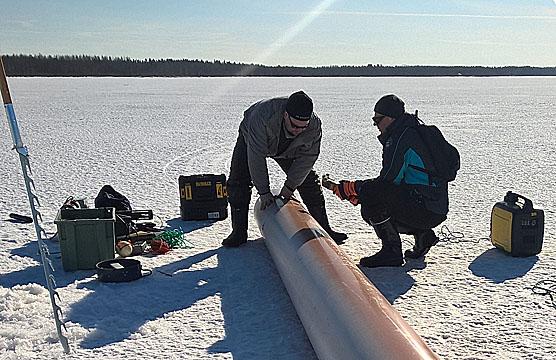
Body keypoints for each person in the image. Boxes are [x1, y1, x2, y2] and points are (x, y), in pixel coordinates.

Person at [324, 94, 449, 267]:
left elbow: (389, 181)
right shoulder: (414, 130)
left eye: (377, 119)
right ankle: (423, 235)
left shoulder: (400, 138)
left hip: (424, 206)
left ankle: (392, 252)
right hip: (435, 206)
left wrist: (355, 189)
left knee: (372, 200)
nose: (375, 124)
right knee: (373, 194)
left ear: (390, 118)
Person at [222, 90, 347, 247]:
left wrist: (289, 187)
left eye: (303, 127)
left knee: (309, 181)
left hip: (288, 148)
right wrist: (264, 192)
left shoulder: (313, 127)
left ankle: (325, 228)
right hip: (252, 138)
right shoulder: (262, 117)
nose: (298, 130)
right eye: (295, 125)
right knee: (238, 181)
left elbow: (307, 160)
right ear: (285, 115)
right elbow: (256, 158)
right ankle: (238, 232)